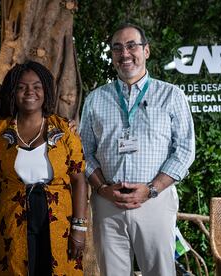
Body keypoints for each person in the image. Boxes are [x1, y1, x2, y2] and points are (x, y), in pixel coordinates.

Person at [79, 23, 195, 276]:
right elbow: (83, 152)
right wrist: (101, 188)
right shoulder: (95, 99)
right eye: (117, 48)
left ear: (146, 51)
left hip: (155, 199)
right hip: (108, 201)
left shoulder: (171, 95)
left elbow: (185, 150)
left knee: (160, 272)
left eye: (132, 46)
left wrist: (151, 189)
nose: (125, 54)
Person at [0, 61, 88, 275]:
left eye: (36, 86)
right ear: (13, 92)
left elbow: (79, 180)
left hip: (58, 219)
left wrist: (79, 227)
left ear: (46, 91)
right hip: (13, 218)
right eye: (22, 87)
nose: (29, 92)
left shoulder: (64, 130)